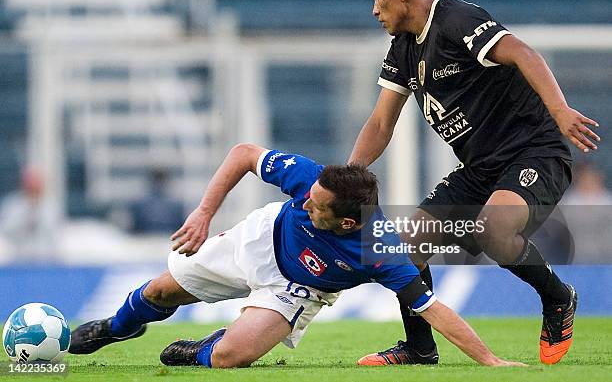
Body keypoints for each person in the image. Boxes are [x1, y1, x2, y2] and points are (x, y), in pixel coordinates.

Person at [349, 0, 599, 366]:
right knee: (407, 246)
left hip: (533, 153)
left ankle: (558, 297)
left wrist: (559, 111)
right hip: (479, 170)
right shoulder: (403, 50)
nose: (375, 9)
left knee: (493, 230)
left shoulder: (456, 19)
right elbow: (379, 124)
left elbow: (523, 52)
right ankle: (419, 348)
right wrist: (346, 177)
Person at [68, 143, 523, 368]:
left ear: (348, 223)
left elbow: (434, 310)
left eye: (315, 206)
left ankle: (201, 349)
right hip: (260, 238)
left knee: (230, 358)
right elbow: (244, 153)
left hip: (300, 289)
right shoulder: (315, 181)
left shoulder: (379, 251)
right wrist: (205, 212)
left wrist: (490, 362)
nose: (306, 202)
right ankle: (113, 328)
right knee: (162, 290)